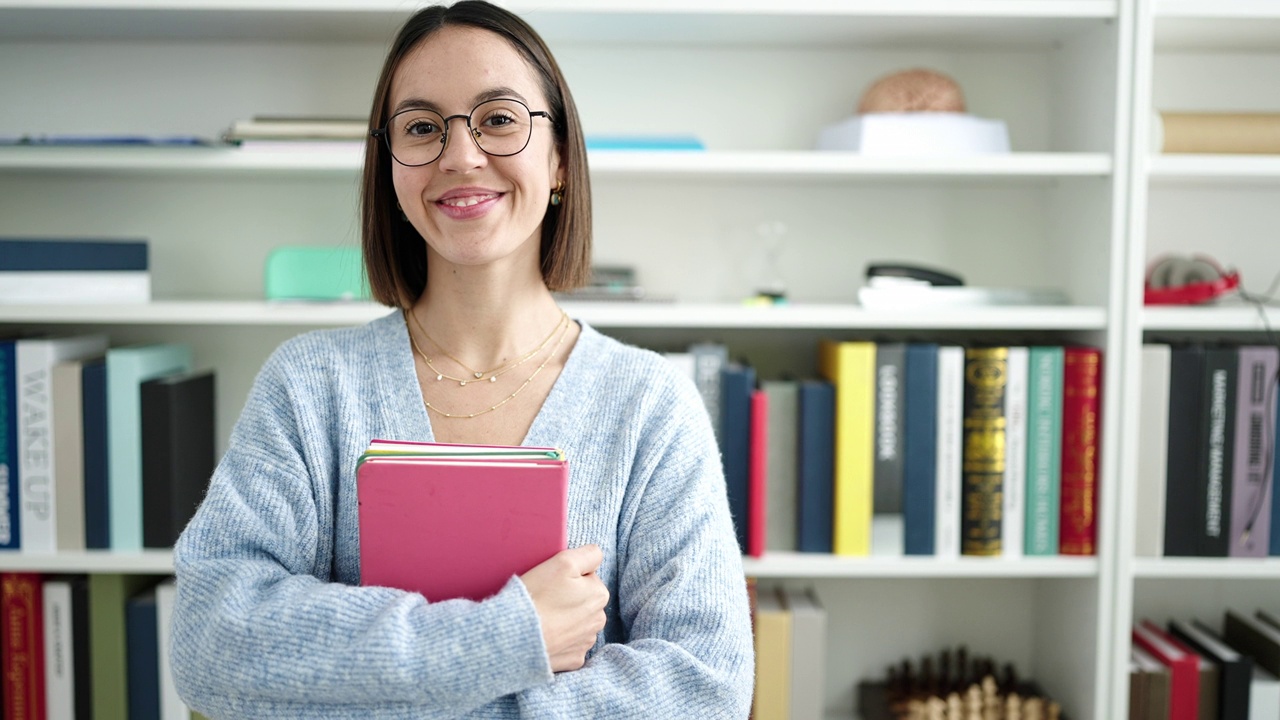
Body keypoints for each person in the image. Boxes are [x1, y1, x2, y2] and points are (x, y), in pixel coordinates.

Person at [169, 2, 755, 717]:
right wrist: (510, 636)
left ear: (560, 155)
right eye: (421, 127)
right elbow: (212, 644)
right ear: (389, 167)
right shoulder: (310, 385)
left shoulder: (650, 403)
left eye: (498, 118)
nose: (460, 155)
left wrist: (384, 693)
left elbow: (706, 685)